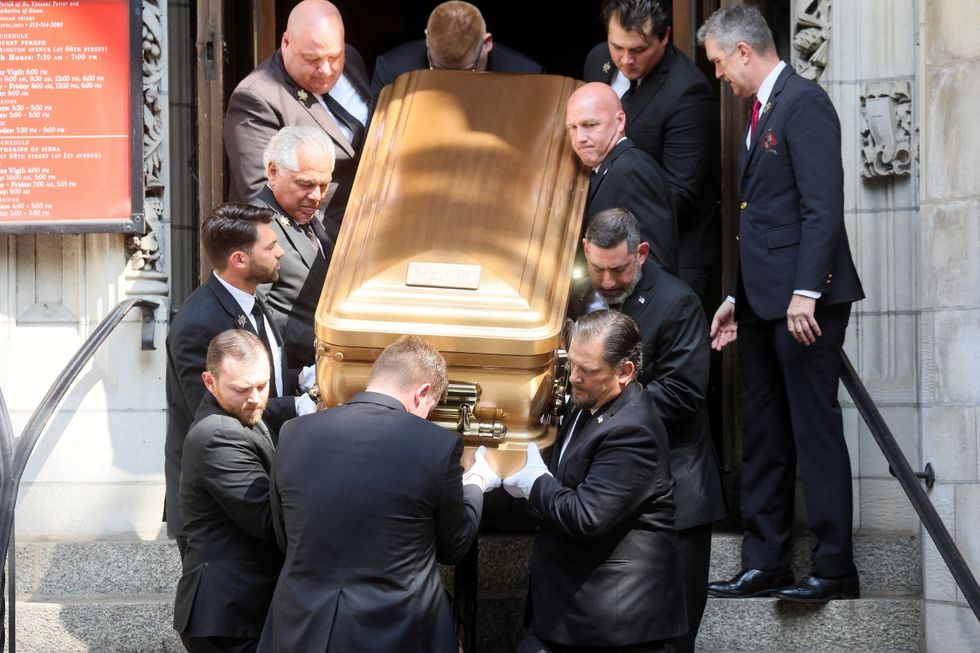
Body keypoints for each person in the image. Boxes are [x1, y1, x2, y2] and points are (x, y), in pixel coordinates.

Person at [698, 5, 865, 602]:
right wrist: (734, 298)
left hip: (804, 303)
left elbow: (822, 206)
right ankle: (765, 562)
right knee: (765, 432)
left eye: (719, 62)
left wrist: (806, 292)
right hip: (761, 302)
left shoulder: (805, 102)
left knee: (813, 430)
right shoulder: (758, 109)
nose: (718, 74)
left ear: (744, 51)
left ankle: (834, 569)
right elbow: (761, 218)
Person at [257, 335, 496, 653]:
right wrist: (476, 484)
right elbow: (453, 547)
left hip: (302, 628)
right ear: (422, 392)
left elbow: (285, 538)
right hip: (394, 632)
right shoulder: (436, 445)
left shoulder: (293, 433)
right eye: (431, 407)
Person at [568, 208, 725, 653]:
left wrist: (598, 401)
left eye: (618, 269)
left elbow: (682, 393)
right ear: (585, 251)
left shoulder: (678, 301)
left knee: (671, 639)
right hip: (608, 496)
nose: (608, 280)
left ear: (641, 253)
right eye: (597, 268)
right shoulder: (580, 297)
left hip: (677, 498)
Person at [504, 310, 686, 652]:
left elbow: (587, 517)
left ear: (625, 372)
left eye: (588, 370)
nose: (573, 378)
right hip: (572, 612)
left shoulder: (634, 430)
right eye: (571, 364)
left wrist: (534, 484)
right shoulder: (584, 404)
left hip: (614, 624)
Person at [165, 203, 316, 555]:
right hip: (222, 505)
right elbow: (218, 412)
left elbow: (269, 376)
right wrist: (297, 406)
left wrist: (304, 378)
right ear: (239, 260)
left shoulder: (251, 299)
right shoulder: (197, 324)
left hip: (258, 480)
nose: (280, 251)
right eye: (270, 246)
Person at [585, 0, 720, 305]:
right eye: (617, 46)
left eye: (638, 50)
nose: (625, 59)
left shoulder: (688, 93)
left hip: (669, 255)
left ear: (665, 36)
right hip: (607, 255)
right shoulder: (598, 61)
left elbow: (679, 194)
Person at [174, 330, 284, 653]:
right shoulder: (218, 435)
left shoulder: (240, 416)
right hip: (227, 617)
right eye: (241, 389)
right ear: (209, 382)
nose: (255, 398)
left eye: (262, 386)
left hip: (238, 611)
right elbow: (268, 518)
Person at [224, 0, 370, 241]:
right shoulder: (256, 99)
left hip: (368, 220)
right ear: (285, 43)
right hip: (318, 243)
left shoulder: (351, 60)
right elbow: (263, 202)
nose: (326, 69)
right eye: (312, 59)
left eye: (334, 56)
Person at [565, 82, 678, 275]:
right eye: (573, 127)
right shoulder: (611, 167)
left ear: (619, 122)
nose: (580, 137)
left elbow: (654, 263)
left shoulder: (632, 171)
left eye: (590, 125)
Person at [250, 126, 335, 367]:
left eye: (324, 185)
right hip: (290, 372)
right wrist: (326, 342)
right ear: (274, 172)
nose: (316, 196)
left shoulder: (311, 218)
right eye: (305, 184)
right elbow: (257, 312)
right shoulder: (258, 225)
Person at [370, 1, 543, 104]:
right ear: (427, 39)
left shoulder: (529, 77)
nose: (450, 82)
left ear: (487, 43)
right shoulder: (392, 69)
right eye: (437, 68)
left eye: (467, 70)